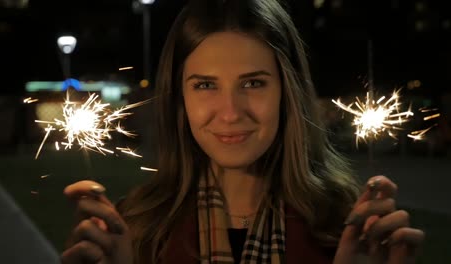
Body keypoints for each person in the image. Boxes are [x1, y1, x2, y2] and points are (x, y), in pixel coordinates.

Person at [61, 0, 425, 263]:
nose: (231, 113)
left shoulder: (348, 227)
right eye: (205, 85)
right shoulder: (135, 228)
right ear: (180, 98)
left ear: (288, 91)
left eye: (253, 83)